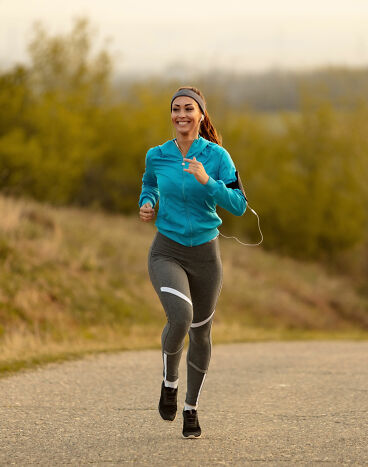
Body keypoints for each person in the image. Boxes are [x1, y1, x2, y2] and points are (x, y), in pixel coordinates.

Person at [138, 86, 247, 438]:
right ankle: (170, 381)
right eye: (175, 109)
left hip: (206, 256)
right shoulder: (157, 155)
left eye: (188, 109)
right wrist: (148, 202)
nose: (181, 115)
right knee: (180, 317)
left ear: (201, 115)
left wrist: (208, 181)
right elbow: (150, 184)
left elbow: (239, 204)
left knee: (201, 333)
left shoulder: (218, 157)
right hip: (167, 249)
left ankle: (191, 408)